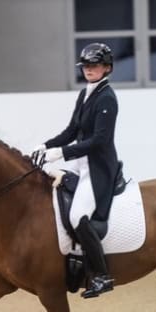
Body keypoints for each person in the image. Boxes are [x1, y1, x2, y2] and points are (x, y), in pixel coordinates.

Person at [33, 41, 120, 298]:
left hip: (99, 169)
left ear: (107, 68)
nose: (89, 69)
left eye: (95, 65)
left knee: (77, 216)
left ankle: (102, 275)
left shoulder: (107, 98)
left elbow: (99, 141)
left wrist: (61, 153)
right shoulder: (85, 94)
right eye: (86, 66)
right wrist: (46, 145)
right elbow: (72, 131)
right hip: (82, 166)